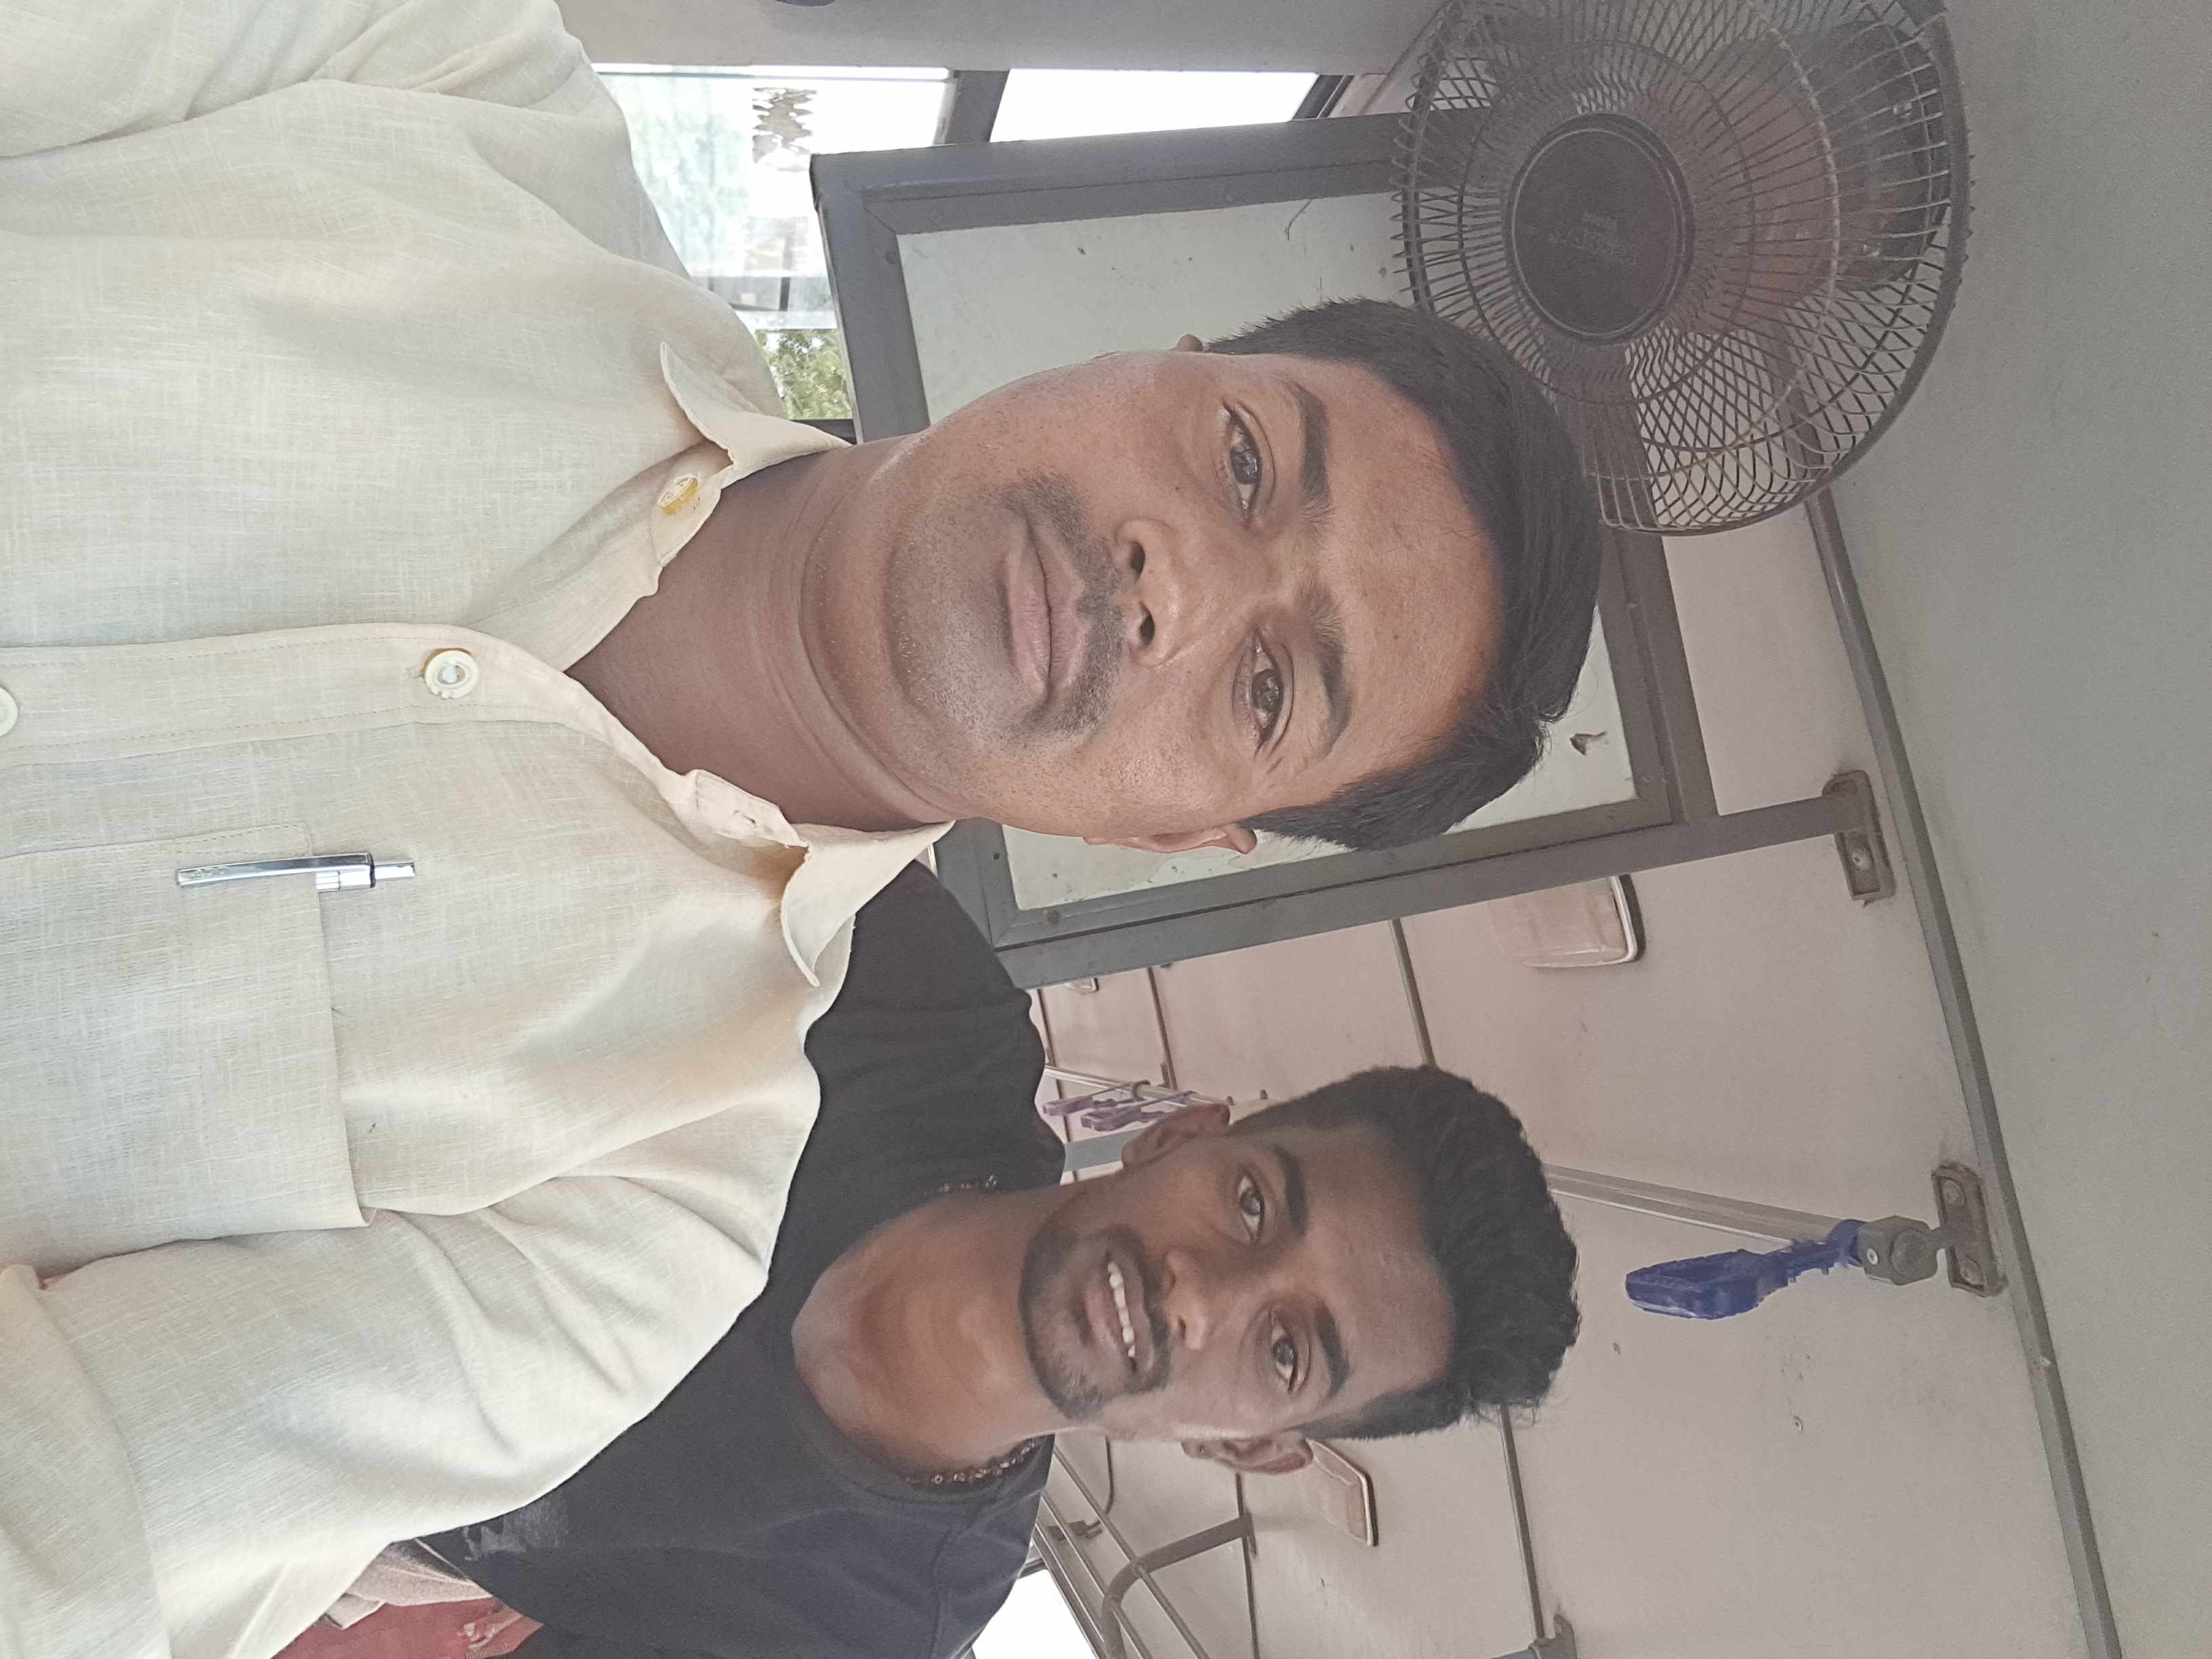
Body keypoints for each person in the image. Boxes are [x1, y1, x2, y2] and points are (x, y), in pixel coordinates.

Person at [0, 3, 1601, 1654]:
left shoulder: (620, 1239)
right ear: (1163, 360)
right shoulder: (449, 83)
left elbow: (68, 1529)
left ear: (1181, 837)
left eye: (1268, 689)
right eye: (1248, 463)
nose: (1175, 587)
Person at [288, 863, 1579, 1659]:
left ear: (1247, 1446)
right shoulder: (894, 986)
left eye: (1285, 1351)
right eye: (1253, 1205)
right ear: (1183, 1135)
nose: (1202, 1292)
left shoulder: (870, 1623)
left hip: (272, 1477)